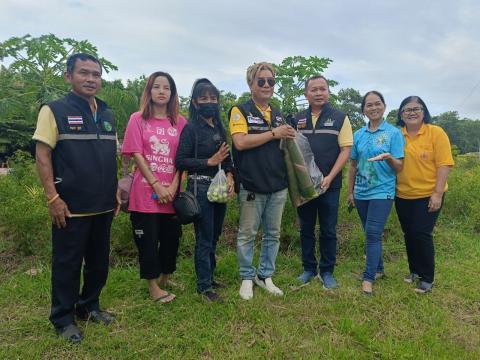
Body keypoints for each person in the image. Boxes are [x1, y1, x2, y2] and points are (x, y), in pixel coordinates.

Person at [33, 53, 119, 343]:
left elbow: (111, 156)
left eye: (96, 74)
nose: (91, 79)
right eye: (84, 73)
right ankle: (63, 319)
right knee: (67, 264)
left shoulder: (107, 114)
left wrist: (117, 190)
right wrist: (52, 198)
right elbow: (42, 155)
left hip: (104, 204)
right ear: (68, 76)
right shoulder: (54, 110)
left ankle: (89, 306)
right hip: (70, 207)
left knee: (98, 263)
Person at [229, 62, 296, 300]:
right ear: (250, 84)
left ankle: (265, 275)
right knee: (247, 234)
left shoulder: (277, 114)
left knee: (273, 234)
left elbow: (283, 145)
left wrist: (288, 135)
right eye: (261, 81)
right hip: (252, 184)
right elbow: (240, 142)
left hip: (278, 185)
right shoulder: (240, 110)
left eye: (271, 81)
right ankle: (247, 277)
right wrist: (273, 134)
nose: (267, 85)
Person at [122, 72, 187, 304]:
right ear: (149, 91)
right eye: (156, 87)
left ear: (172, 93)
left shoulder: (180, 122)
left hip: (172, 192)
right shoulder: (137, 119)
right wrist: (157, 185)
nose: (161, 91)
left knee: (171, 239)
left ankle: (165, 278)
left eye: (166, 87)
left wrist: (174, 185)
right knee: (147, 242)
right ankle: (152, 287)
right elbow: (136, 154)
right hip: (145, 193)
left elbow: (184, 157)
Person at [176, 79, 234, 302]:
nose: (209, 102)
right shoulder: (191, 129)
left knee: (215, 235)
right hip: (201, 188)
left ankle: (209, 277)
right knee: (204, 238)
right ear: (195, 102)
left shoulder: (219, 127)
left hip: (219, 188)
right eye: (204, 98)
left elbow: (227, 157)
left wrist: (230, 176)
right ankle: (204, 287)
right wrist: (209, 161)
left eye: (213, 98)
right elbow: (181, 161)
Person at [293, 75, 353, 288]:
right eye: (314, 89)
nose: (319, 93)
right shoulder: (297, 118)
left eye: (323, 89)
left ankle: (327, 271)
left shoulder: (340, 117)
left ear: (328, 92)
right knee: (306, 228)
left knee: (328, 229)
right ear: (306, 94)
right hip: (305, 185)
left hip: (330, 184)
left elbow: (346, 150)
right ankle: (309, 269)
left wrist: (330, 177)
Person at [347, 91, 404, 295]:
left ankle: (368, 277)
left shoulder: (393, 133)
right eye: (369, 105)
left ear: (384, 106)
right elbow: (353, 165)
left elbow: (399, 167)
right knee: (370, 233)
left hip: (383, 191)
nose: (373, 108)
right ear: (363, 110)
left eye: (377, 104)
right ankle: (378, 269)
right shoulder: (358, 135)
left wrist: (389, 157)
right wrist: (350, 192)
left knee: (372, 233)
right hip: (361, 192)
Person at [395, 96, 454, 293]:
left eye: (416, 109)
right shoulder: (396, 135)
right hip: (402, 194)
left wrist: (437, 194)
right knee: (409, 234)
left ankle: (427, 277)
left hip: (428, 194)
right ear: (401, 115)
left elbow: (444, 163)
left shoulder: (435, 133)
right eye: (406, 109)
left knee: (421, 233)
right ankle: (414, 271)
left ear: (423, 111)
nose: (411, 112)